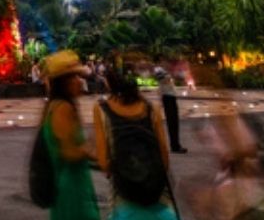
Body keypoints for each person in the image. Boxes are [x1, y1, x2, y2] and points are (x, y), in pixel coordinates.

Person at [93, 69, 176, 220]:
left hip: (123, 194)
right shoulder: (151, 108)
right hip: (155, 194)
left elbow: (104, 163)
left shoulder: (101, 109)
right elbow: (164, 157)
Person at [37, 51, 97, 220]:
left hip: (73, 184)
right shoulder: (62, 108)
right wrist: (92, 146)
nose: (79, 82)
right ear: (63, 83)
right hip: (71, 188)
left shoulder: (58, 106)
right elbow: (69, 153)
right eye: (74, 78)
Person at [157, 64, 185, 153]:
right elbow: (163, 80)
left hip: (171, 96)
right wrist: (171, 73)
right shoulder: (159, 69)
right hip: (167, 97)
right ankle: (175, 145)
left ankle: (176, 144)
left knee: (174, 121)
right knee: (172, 121)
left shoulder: (164, 70)